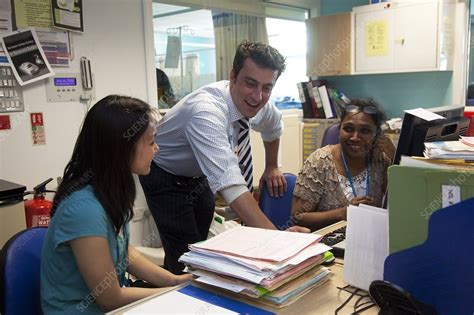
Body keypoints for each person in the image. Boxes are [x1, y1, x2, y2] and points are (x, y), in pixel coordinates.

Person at [139, 40, 307, 275]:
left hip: (198, 175)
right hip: (165, 175)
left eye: (267, 87)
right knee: (185, 258)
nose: (258, 96)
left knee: (204, 248)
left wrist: (271, 166)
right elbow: (231, 185)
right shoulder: (205, 111)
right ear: (233, 76)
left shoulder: (258, 104)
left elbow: (274, 127)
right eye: (250, 83)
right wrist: (279, 241)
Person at [41, 95, 191, 314]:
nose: (156, 148)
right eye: (150, 142)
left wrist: (173, 281)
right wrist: (176, 294)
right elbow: (110, 299)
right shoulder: (84, 210)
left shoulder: (109, 191)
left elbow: (124, 254)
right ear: (122, 149)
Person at [291, 99, 394, 231]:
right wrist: (342, 213)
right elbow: (297, 217)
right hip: (330, 244)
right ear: (339, 130)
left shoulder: (381, 160)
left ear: (377, 135)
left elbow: (400, 206)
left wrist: (395, 158)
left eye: (365, 131)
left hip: (370, 236)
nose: (355, 137)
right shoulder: (319, 162)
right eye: (348, 129)